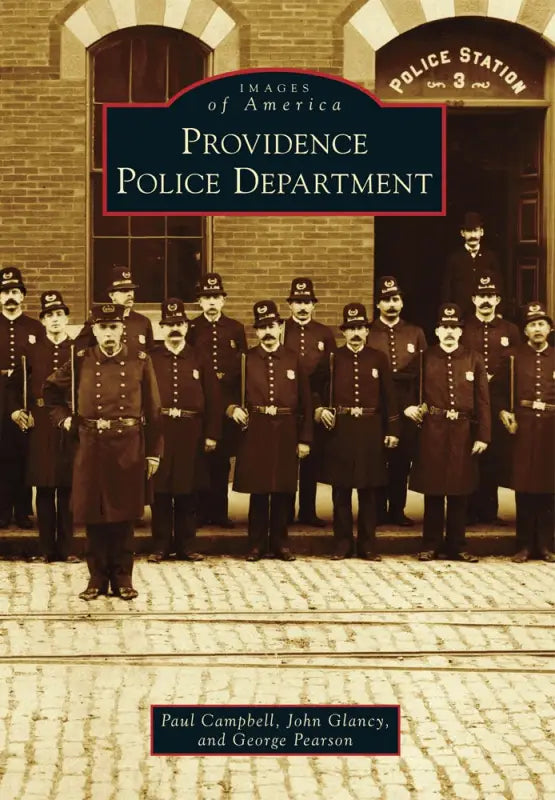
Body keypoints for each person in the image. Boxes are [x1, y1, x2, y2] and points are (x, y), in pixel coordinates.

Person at [44, 303, 162, 600]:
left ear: (123, 329)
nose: (108, 334)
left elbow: (154, 410)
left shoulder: (139, 360)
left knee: (123, 518)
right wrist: (65, 419)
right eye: (102, 328)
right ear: (93, 330)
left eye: (113, 327)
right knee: (94, 516)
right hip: (91, 445)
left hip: (128, 446)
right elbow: (50, 392)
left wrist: (153, 452)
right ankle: (96, 577)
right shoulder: (79, 359)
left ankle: (123, 577)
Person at [406, 303, 490, 562]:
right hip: (433, 429)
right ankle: (430, 544)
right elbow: (410, 391)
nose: (450, 332)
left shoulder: (474, 358)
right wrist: (408, 407)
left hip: (463, 431)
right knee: (433, 490)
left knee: (459, 489)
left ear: (461, 331)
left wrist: (483, 435)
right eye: (445, 327)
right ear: (437, 331)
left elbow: (483, 400)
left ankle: (458, 544)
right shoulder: (425, 358)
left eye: (455, 327)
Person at [230, 300, 313, 561]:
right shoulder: (245, 360)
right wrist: (232, 409)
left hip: (286, 430)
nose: (267, 332)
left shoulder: (293, 359)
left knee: (281, 490)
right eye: (262, 327)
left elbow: (306, 402)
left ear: (280, 327)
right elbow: (228, 394)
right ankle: (255, 545)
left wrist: (304, 438)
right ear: (256, 331)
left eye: (272, 326)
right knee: (259, 490)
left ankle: (280, 544)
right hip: (256, 430)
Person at [317, 303, 399, 560]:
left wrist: (393, 429)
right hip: (341, 431)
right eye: (350, 328)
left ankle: (367, 545)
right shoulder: (332, 358)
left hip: (370, 430)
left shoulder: (378, 358)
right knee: (341, 491)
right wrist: (320, 410)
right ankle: (342, 543)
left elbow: (389, 398)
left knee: (369, 491)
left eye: (360, 328)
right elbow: (314, 389)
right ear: (344, 332)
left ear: (366, 331)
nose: (355, 333)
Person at [148, 299, 222, 563]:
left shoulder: (200, 357)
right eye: (169, 325)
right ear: (161, 328)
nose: (175, 329)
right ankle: (160, 546)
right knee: (161, 491)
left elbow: (213, 398)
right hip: (161, 431)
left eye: (179, 324)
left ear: (187, 326)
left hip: (192, 431)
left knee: (187, 491)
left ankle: (186, 545)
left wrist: (212, 433)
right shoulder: (152, 358)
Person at [10, 291, 79, 562]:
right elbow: (13, 386)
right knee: (45, 487)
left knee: (67, 486)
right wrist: (16, 411)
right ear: (43, 320)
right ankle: (47, 550)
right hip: (40, 425)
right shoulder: (31, 351)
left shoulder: (76, 350)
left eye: (59, 315)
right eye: (49, 315)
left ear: (66, 318)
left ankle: (68, 549)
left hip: (68, 424)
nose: (55, 320)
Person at [495, 302, 555, 563]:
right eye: (532, 325)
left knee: (548, 489)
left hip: (551, 429)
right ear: (525, 330)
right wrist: (503, 413)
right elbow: (496, 393)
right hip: (524, 428)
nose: (537, 329)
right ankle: (523, 545)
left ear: (550, 328)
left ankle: (545, 545)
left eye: (542, 324)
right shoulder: (512, 358)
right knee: (525, 489)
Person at [187, 273, 246, 528]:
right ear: (200, 302)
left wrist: (236, 404)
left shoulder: (235, 328)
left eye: (216, 297)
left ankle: (219, 512)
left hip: (228, 403)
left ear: (223, 300)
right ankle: (200, 512)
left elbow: (242, 368)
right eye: (206, 298)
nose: (211, 302)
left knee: (221, 460)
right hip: (201, 402)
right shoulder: (192, 328)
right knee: (201, 458)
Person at [461, 271, 520, 525]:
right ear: (473, 299)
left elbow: (518, 366)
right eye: (481, 296)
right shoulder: (463, 328)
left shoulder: (511, 330)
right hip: (470, 400)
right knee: (470, 453)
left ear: (497, 300)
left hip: (498, 401)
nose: (486, 300)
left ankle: (489, 511)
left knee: (494, 456)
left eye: (491, 296)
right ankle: (470, 511)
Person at [367, 276, 427, 526]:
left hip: (408, 403)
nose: (391, 305)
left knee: (402, 460)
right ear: (378, 304)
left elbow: (425, 373)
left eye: (395, 299)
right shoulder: (368, 333)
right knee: (378, 458)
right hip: (378, 402)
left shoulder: (415, 333)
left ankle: (397, 510)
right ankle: (378, 511)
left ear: (402, 303)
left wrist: (420, 404)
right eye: (385, 300)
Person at [283, 277, 335, 527]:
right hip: (288, 402)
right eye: (297, 302)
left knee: (311, 460)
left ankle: (308, 510)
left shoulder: (324, 333)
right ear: (289, 305)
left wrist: (321, 405)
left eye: (307, 302)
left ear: (314, 305)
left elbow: (331, 374)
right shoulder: (281, 330)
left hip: (314, 404)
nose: (302, 307)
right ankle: (284, 512)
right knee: (287, 458)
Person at [0, 266, 44, 529]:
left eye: (15, 291)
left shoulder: (35, 327)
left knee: (23, 453)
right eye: (5, 292)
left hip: (24, 396)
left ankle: (23, 510)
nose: (10, 297)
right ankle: (2, 511)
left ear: (23, 296)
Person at [74, 266, 154, 354]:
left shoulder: (143, 321)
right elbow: (81, 352)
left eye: (131, 290)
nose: (129, 294)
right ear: (111, 295)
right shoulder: (96, 320)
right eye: (124, 291)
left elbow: (150, 356)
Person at [442, 212, 503, 318]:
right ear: (462, 233)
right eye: (469, 231)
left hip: (486, 312)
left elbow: (499, 285)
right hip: (462, 314)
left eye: (475, 230)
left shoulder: (490, 257)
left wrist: (499, 311)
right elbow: (447, 288)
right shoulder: (454, 258)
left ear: (482, 232)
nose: (473, 235)